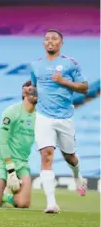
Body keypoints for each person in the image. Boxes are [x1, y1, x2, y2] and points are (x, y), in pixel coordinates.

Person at [30, 29, 88, 214]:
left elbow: (84, 87)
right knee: (46, 155)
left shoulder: (70, 63)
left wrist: (64, 82)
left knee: (69, 156)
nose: (50, 42)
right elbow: (34, 88)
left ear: (61, 43)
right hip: (43, 116)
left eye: (54, 39)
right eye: (47, 39)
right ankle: (51, 203)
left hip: (64, 117)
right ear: (43, 43)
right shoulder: (35, 65)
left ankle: (78, 176)